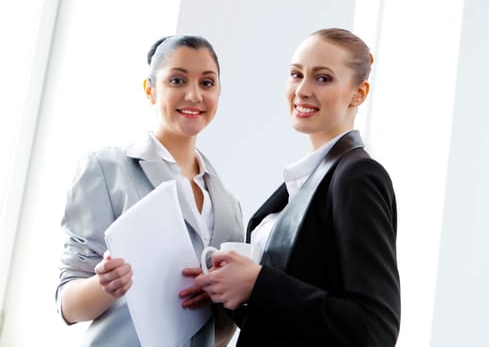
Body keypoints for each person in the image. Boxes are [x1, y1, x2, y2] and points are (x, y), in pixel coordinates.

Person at [194, 28, 401, 346]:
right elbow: (286, 318)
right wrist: (227, 290)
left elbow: (375, 329)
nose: (302, 90)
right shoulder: (304, 179)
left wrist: (259, 283)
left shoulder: (357, 176)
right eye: (296, 74)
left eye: (323, 78)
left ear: (358, 93)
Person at [55, 34, 243, 347]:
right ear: (150, 90)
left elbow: (220, 333)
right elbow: (68, 304)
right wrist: (105, 284)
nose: (194, 95)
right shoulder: (105, 168)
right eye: (178, 80)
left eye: (207, 83)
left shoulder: (229, 206)